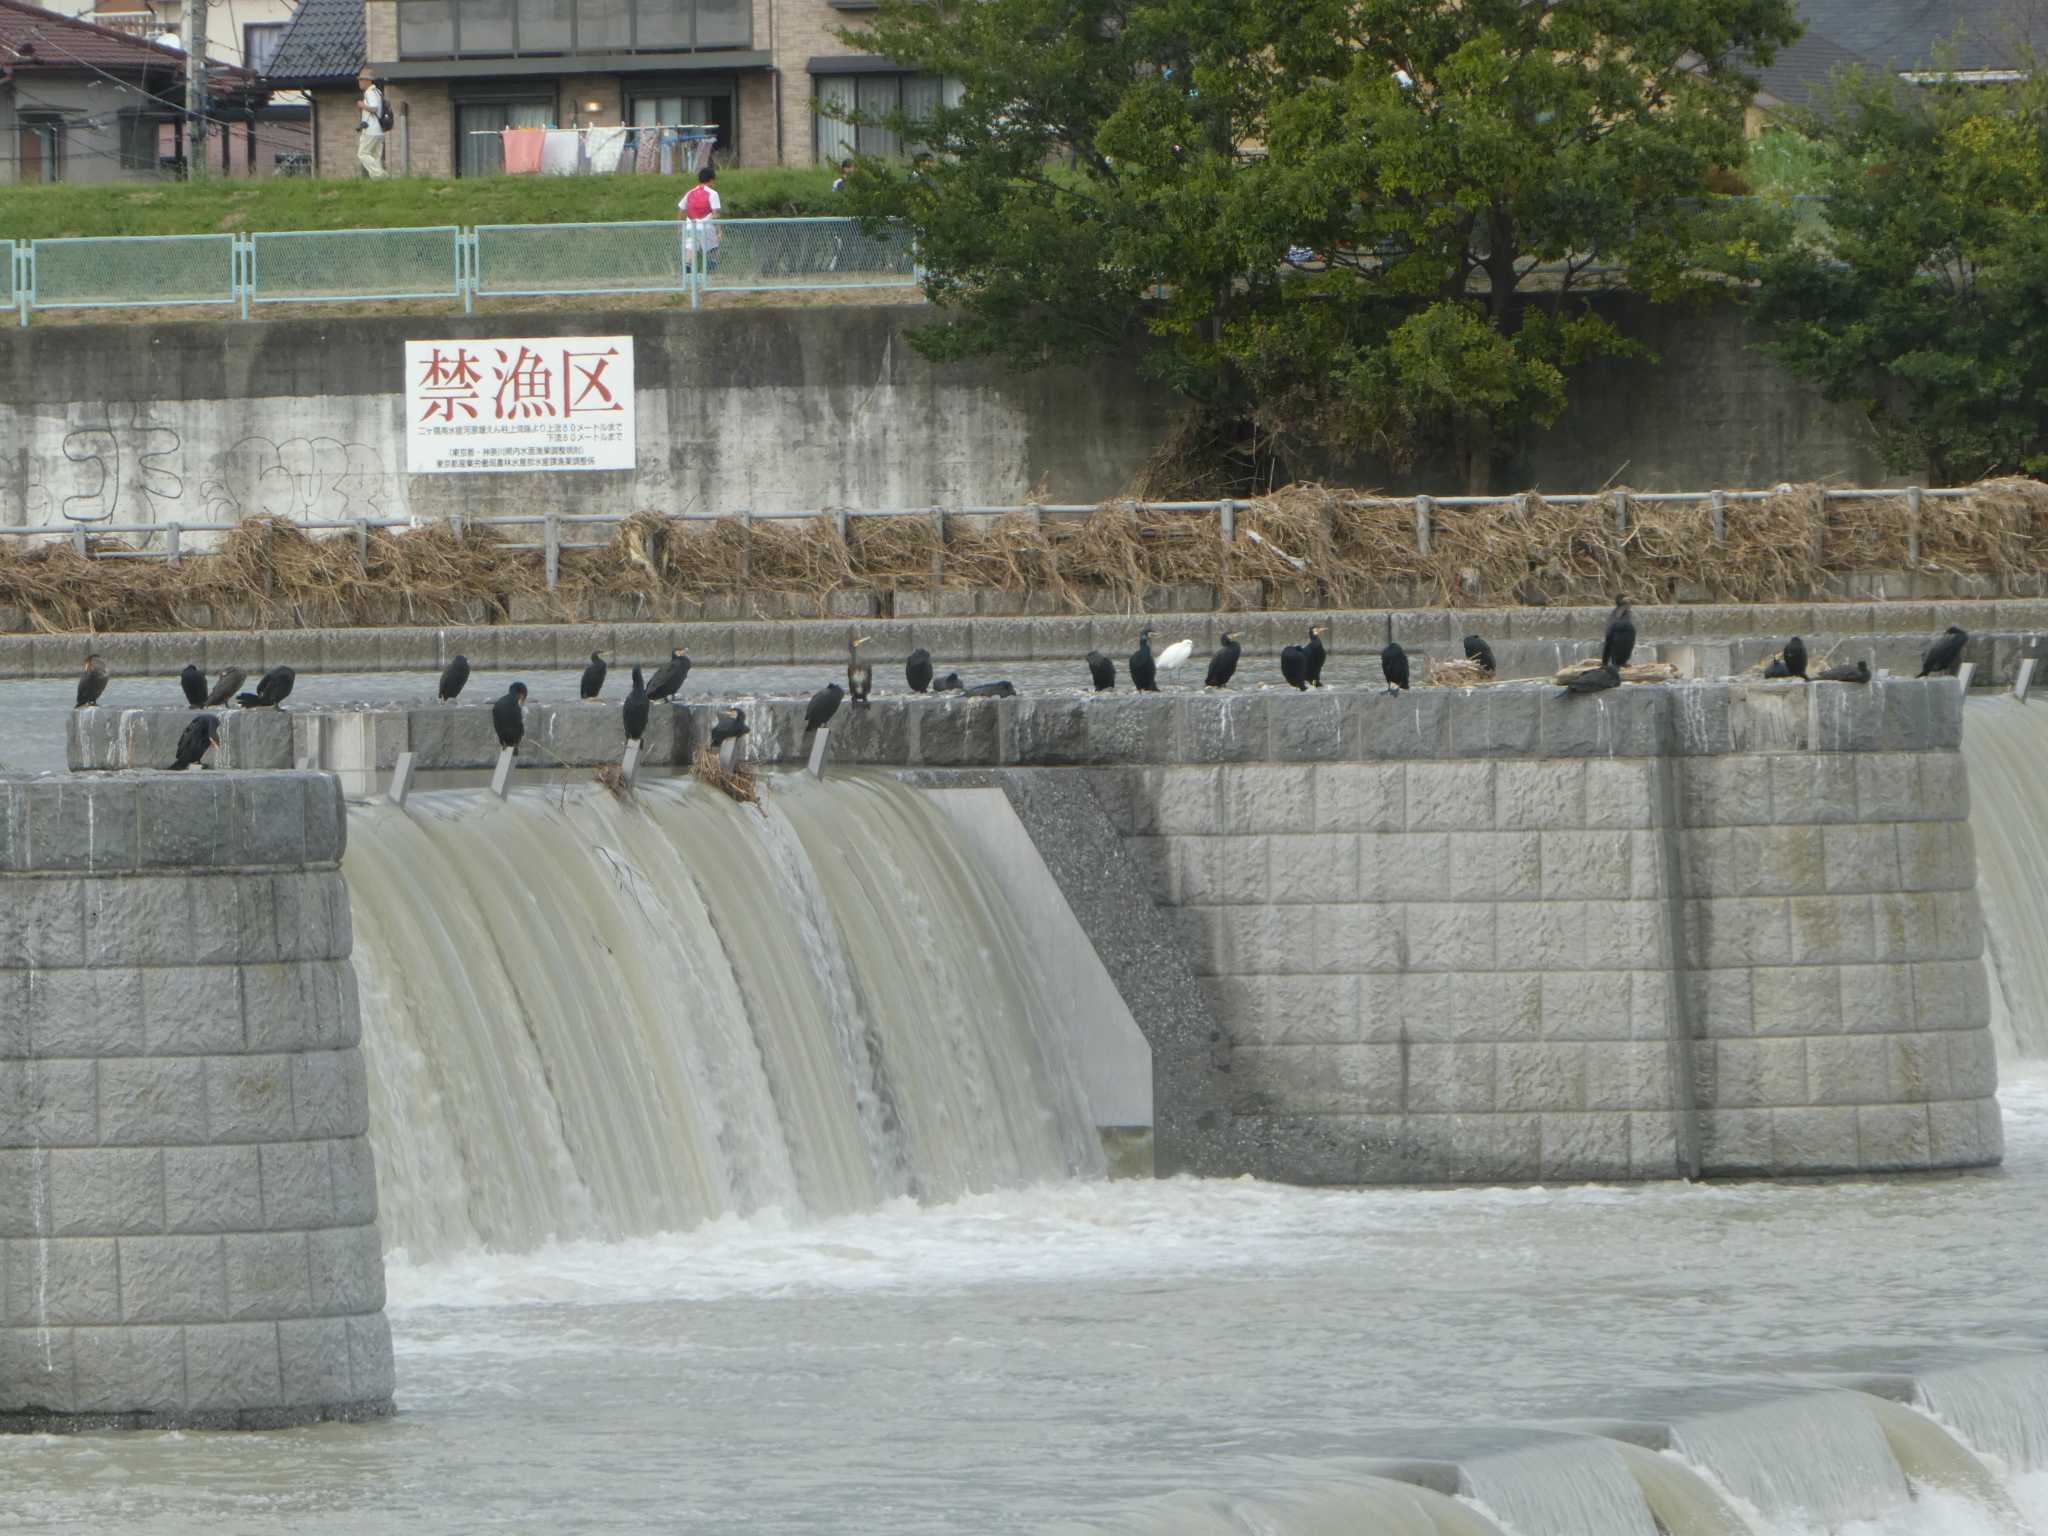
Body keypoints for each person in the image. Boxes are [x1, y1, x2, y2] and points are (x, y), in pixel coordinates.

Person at [680, 165, 720, 273]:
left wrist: (680, 226)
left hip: (690, 224)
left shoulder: (690, 192)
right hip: (706, 225)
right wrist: (719, 231)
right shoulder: (713, 193)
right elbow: (715, 214)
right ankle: (710, 272)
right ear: (711, 180)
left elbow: (681, 209)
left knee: (690, 248)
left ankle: (688, 270)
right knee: (714, 248)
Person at [357, 72, 388, 179]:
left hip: (371, 130)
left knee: (362, 154)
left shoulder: (370, 92)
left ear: (368, 81)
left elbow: (374, 108)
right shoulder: (378, 92)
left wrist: (362, 105)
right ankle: (378, 181)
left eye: (361, 80)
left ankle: (380, 174)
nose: (359, 82)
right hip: (379, 130)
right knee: (376, 156)